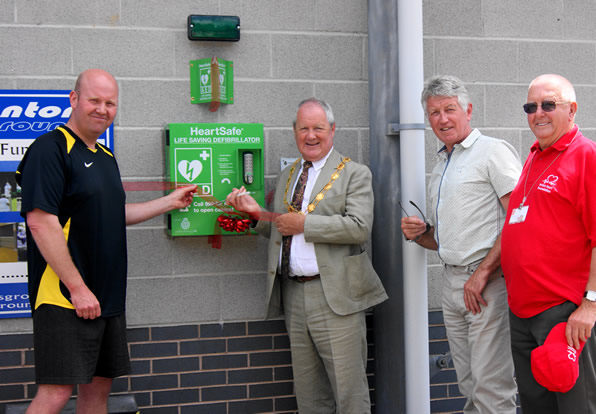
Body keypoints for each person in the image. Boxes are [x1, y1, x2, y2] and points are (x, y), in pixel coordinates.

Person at [16, 69, 197, 414]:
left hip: (106, 298)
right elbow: (41, 223)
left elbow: (113, 214)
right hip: (65, 297)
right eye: (94, 100)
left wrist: (170, 201)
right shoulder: (49, 149)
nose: (103, 109)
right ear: (74, 100)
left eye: (110, 103)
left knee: (98, 392)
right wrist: (77, 287)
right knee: (55, 393)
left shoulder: (105, 156)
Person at [226, 97, 388, 414]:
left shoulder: (355, 173)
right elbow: (281, 231)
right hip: (294, 296)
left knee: (349, 394)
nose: (311, 136)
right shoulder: (288, 175)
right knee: (310, 396)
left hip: (336, 298)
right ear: (294, 131)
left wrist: (305, 224)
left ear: (333, 130)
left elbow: (359, 228)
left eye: (318, 128)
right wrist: (257, 215)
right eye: (304, 129)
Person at [501, 74, 596, 413]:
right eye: (531, 106)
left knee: (577, 407)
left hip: (564, 313)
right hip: (523, 312)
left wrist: (590, 305)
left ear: (571, 109)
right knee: (536, 406)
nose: (538, 113)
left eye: (548, 104)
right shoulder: (534, 157)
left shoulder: (587, 156)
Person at [401, 75, 520, 413]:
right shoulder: (442, 164)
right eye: (434, 112)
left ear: (468, 110)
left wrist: (482, 273)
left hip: (487, 284)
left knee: (491, 388)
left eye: (450, 109)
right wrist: (420, 232)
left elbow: (519, 219)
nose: (442, 119)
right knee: (469, 385)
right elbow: (441, 238)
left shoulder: (493, 152)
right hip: (452, 282)